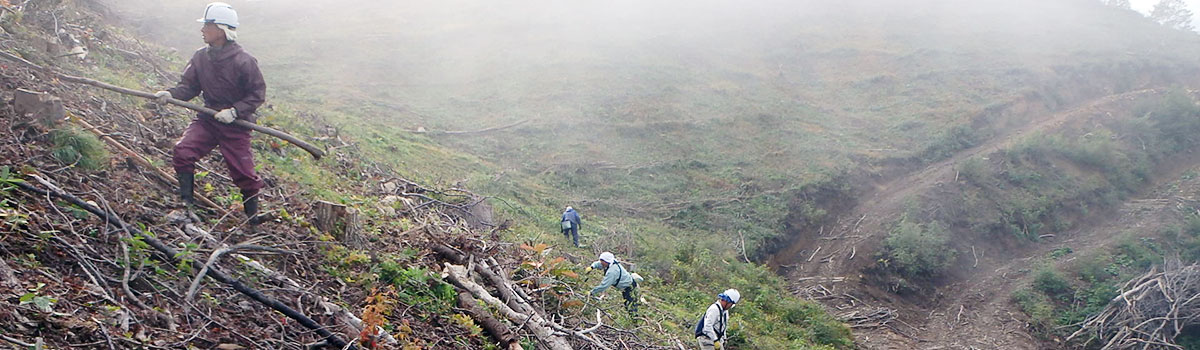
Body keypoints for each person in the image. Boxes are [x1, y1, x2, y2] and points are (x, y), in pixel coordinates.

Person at [155, 2, 267, 228]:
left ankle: (252, 219)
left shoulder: (245, 61)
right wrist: (170, 93)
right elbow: (189, 87)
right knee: (183, 151)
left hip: (236, 124)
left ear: (222, 30)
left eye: (207, 25)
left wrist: (235, 111)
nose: (203, 30)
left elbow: (257, 94)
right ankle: (186, 205)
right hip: (207, 119)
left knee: (244, 173)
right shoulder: (200, 57)